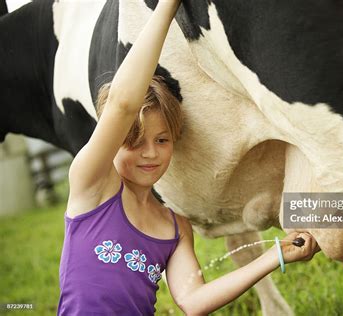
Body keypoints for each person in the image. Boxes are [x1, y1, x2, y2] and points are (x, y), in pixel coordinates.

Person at [57, 0, 320, 315]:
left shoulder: (175, 226)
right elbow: (121, 105)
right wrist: (167, 7)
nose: (151, 152)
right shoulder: (92, 185)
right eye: (135, 141)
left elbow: (194, 301)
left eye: (162, 139)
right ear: (112, 139)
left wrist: (278, 254)